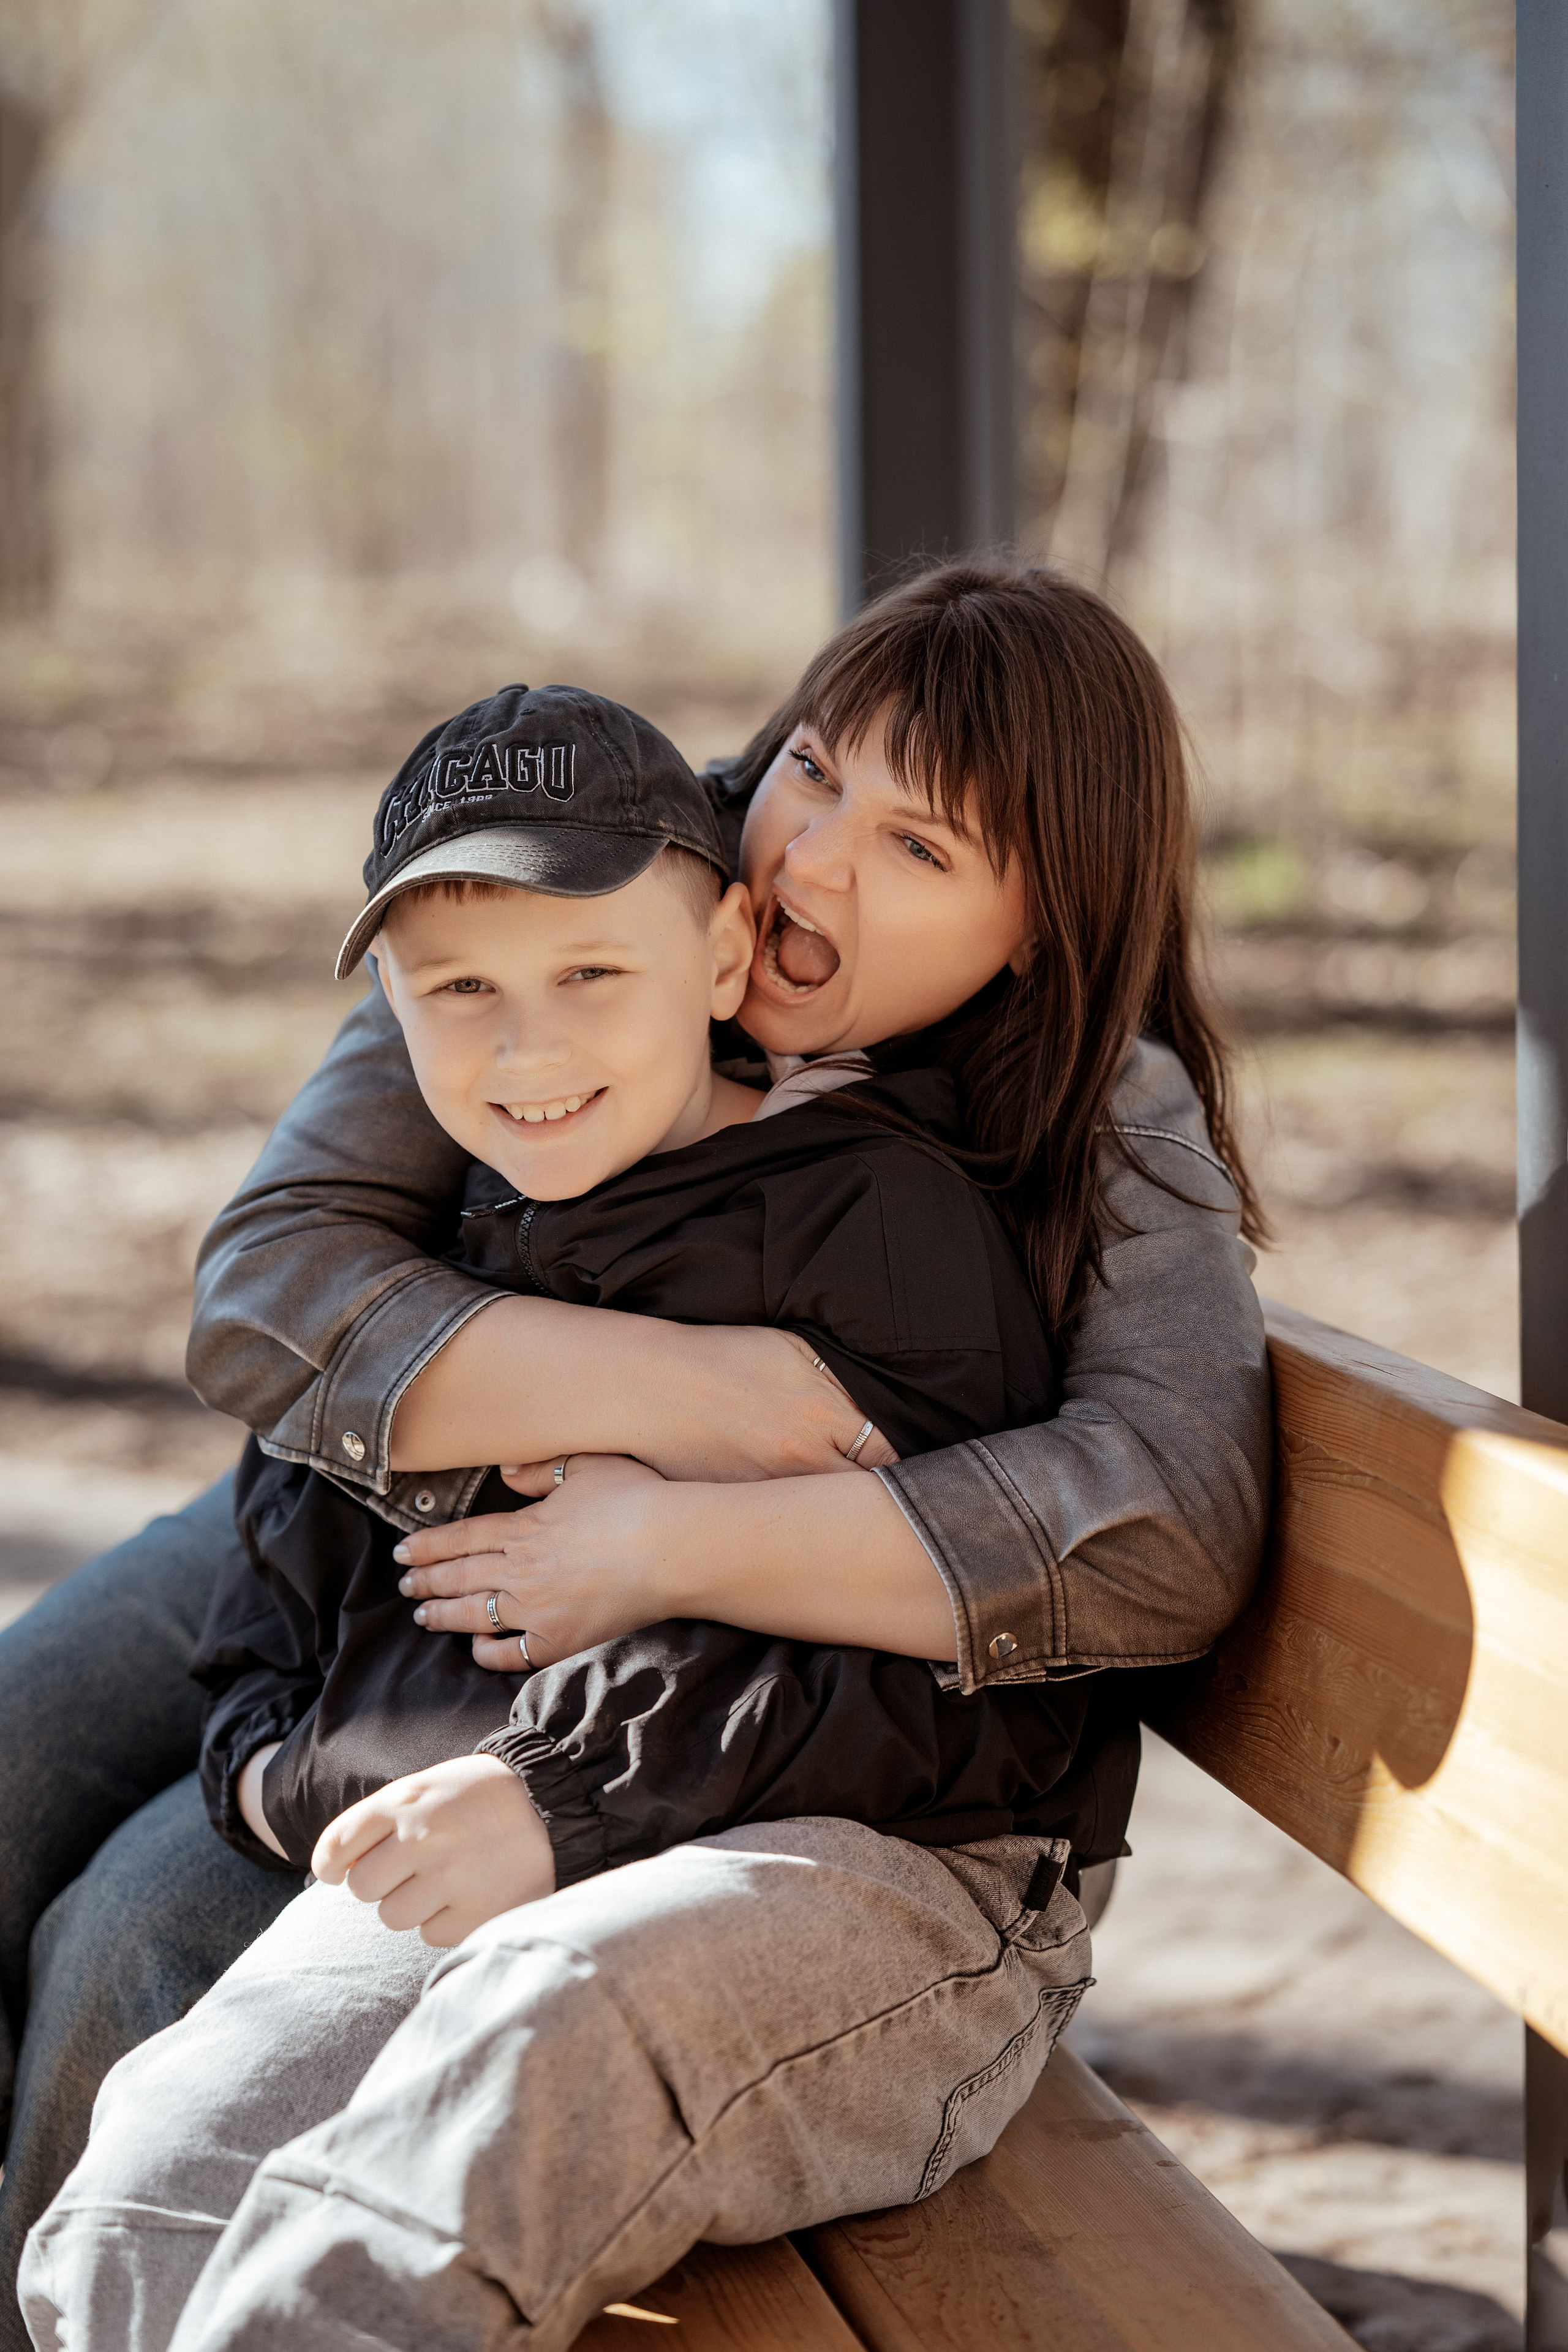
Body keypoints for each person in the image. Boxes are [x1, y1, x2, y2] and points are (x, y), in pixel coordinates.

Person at [4, 564, 1272, 2351]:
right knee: (21, 1746)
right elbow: (270, 1294)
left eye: (919, 847)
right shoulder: (586, 878)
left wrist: (663, 1545)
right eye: (815, 770)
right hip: (391, 1544)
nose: (811, 859)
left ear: (1040, 927)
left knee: (144, 1927)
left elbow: (1163, 1521)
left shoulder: (1066, 1125)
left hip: (712, 1700)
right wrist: (693, 1393)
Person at [192, 680, 1114, 1896]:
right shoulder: (470, 1201)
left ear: (724, 956)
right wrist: (265, 1770)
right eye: (460, 989)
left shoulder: (868, 1224)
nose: (526, 1048)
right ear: (391, 1004)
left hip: (696, 1866)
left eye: (590, 972)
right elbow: (294, 1519)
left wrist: (565, 1791)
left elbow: (977, 1684)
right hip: (402, 1827)